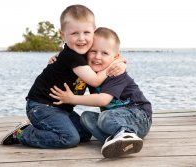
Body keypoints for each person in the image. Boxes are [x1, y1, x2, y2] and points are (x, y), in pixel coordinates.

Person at [1, 5, 125, 149]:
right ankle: (23, 133)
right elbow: (95, 80)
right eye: (74, 34)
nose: (81, 38)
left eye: (86, 32)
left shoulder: (85, 55)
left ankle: (40, 126)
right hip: (42, 106)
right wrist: (115, 64)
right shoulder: (71, 56)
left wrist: (120, 62)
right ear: (63, 35)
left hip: (62, 109)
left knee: (85, 134)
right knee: (69, 138)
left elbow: (107, 54)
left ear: (94, 32)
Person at [49, 27, 152, 158]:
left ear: (115, 57)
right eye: (93, 51)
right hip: (114, 118)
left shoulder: (116, 73)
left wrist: (71, 99)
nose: (97, 57)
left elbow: (103, 100)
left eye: (104, 53)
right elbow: (73, 55)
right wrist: (60, 57)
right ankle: (114, 141)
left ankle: (126, 134)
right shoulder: (89, 73)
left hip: (139, 117)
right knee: (86, 117)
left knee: (105, 117)